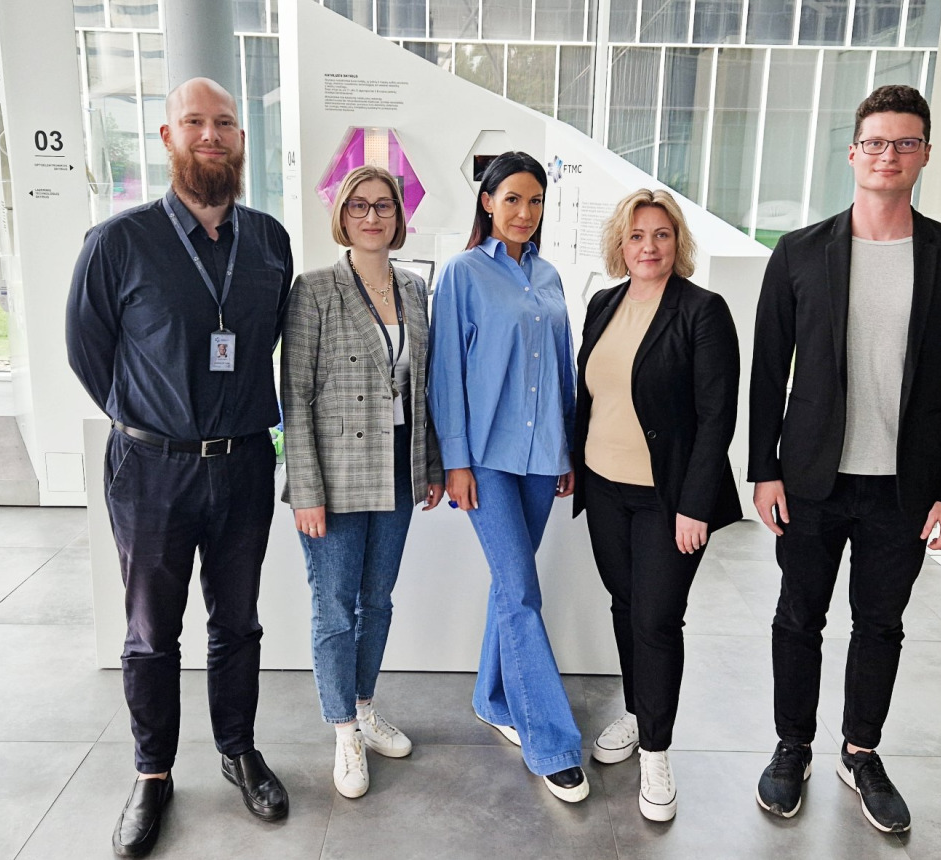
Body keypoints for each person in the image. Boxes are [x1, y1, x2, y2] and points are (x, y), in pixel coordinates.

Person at [749, 85, 941, 833]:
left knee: (880, 624)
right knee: (798, 618)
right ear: (853, 152)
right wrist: (763, 469)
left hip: (907, 488)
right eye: (876, 142)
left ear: (924, 154)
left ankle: (861, 752)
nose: (889, 155)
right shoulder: (799, 251)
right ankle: (792, 747)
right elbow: (767, 371)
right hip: (812, 481)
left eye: (905, 143)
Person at [66, 77, 292, 857]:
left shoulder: (269, 241)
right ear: (166, 138)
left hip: (241, 467)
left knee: (238, 623)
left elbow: (262, 346)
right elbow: (88, 354)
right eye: (194, 122)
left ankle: (237, 749)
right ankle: (152, 773)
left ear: (240, 140)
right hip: (152, 469)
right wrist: (150, 414)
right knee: (151, 633)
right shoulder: (118, 243)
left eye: (225, 123)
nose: (211, 136)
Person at [572, 189, 741, 821]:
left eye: (662, 235)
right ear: (621, 243)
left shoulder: (703, 311)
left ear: (678, 244)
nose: (649, 246)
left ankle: (658, 751)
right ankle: (639, 713)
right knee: (625, 605)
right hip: (605, 487)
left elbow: (716, 416)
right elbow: (588, 396)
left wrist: (695, 506)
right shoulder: (603, 303)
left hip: (669, 500)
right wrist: (572, 466)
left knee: (658, 621)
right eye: (638, 235)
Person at [280, 165, 444, 800]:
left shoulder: (414, 287)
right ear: (342, 217)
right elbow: (295, 394)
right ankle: (343, 729)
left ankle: (366, 705)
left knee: (378, 600)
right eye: (359, 207)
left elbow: (423, 389)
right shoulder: (315, 289)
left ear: (399, 218)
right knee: (334, 606)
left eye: (383, 206)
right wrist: (307, 490)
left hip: (400, 469)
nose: (372, 216)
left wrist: (427, 467)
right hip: (337, 475)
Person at [426, 151, 586, 802]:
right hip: (486, 461)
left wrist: (568, 451)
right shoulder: (463, 274)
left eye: (536, 201)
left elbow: (563, 370)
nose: (525, 212)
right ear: (487, 202)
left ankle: (491, 697)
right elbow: (446, 376)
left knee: (509, 585)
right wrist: (455, 460)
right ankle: (551, 743)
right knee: (522, 592)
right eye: (513, 199)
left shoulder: (548, 278)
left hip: (542, 456)